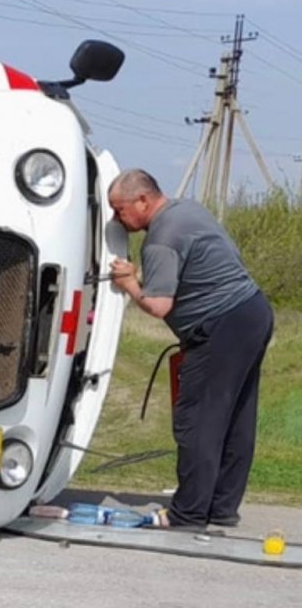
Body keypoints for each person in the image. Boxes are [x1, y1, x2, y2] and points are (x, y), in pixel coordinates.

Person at [107, 168, 273, 530]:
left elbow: (159, 305)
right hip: (253, 311)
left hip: (220, 327)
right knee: (236, 417)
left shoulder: (161, 239)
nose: (118, 219)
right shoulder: (189, 210)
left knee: (198, 419)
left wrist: (129, 284)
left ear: (143, 200)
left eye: (120, 210)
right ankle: (221, 507)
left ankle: (189, 513)